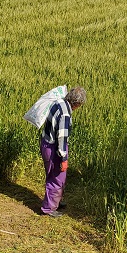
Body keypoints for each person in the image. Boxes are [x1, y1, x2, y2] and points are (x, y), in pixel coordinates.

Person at [40, 86, 86, 218]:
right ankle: (49, 208)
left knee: (54, 175)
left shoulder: (59, 101)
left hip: (46, 142)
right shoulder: (65, 113)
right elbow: (62, 137)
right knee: (57, 178)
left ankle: (56, 202)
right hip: (54, 147)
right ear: (76, 104)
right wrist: (63, 159)